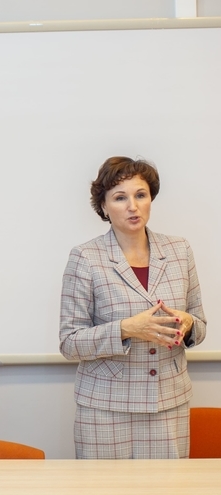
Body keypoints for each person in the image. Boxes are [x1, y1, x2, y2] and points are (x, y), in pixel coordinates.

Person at [59, 156, 206, 459]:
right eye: (120, 198)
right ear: (103, 207)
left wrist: (188, 323)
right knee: (105, 484)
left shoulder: (179, 250)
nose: (133, 206)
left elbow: (200, 325)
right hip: (105, 409)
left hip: (169, 404)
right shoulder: (85, 257)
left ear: (151, 199)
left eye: (141, 195)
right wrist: (127, 329)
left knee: (169, 484)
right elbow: (69, 342)